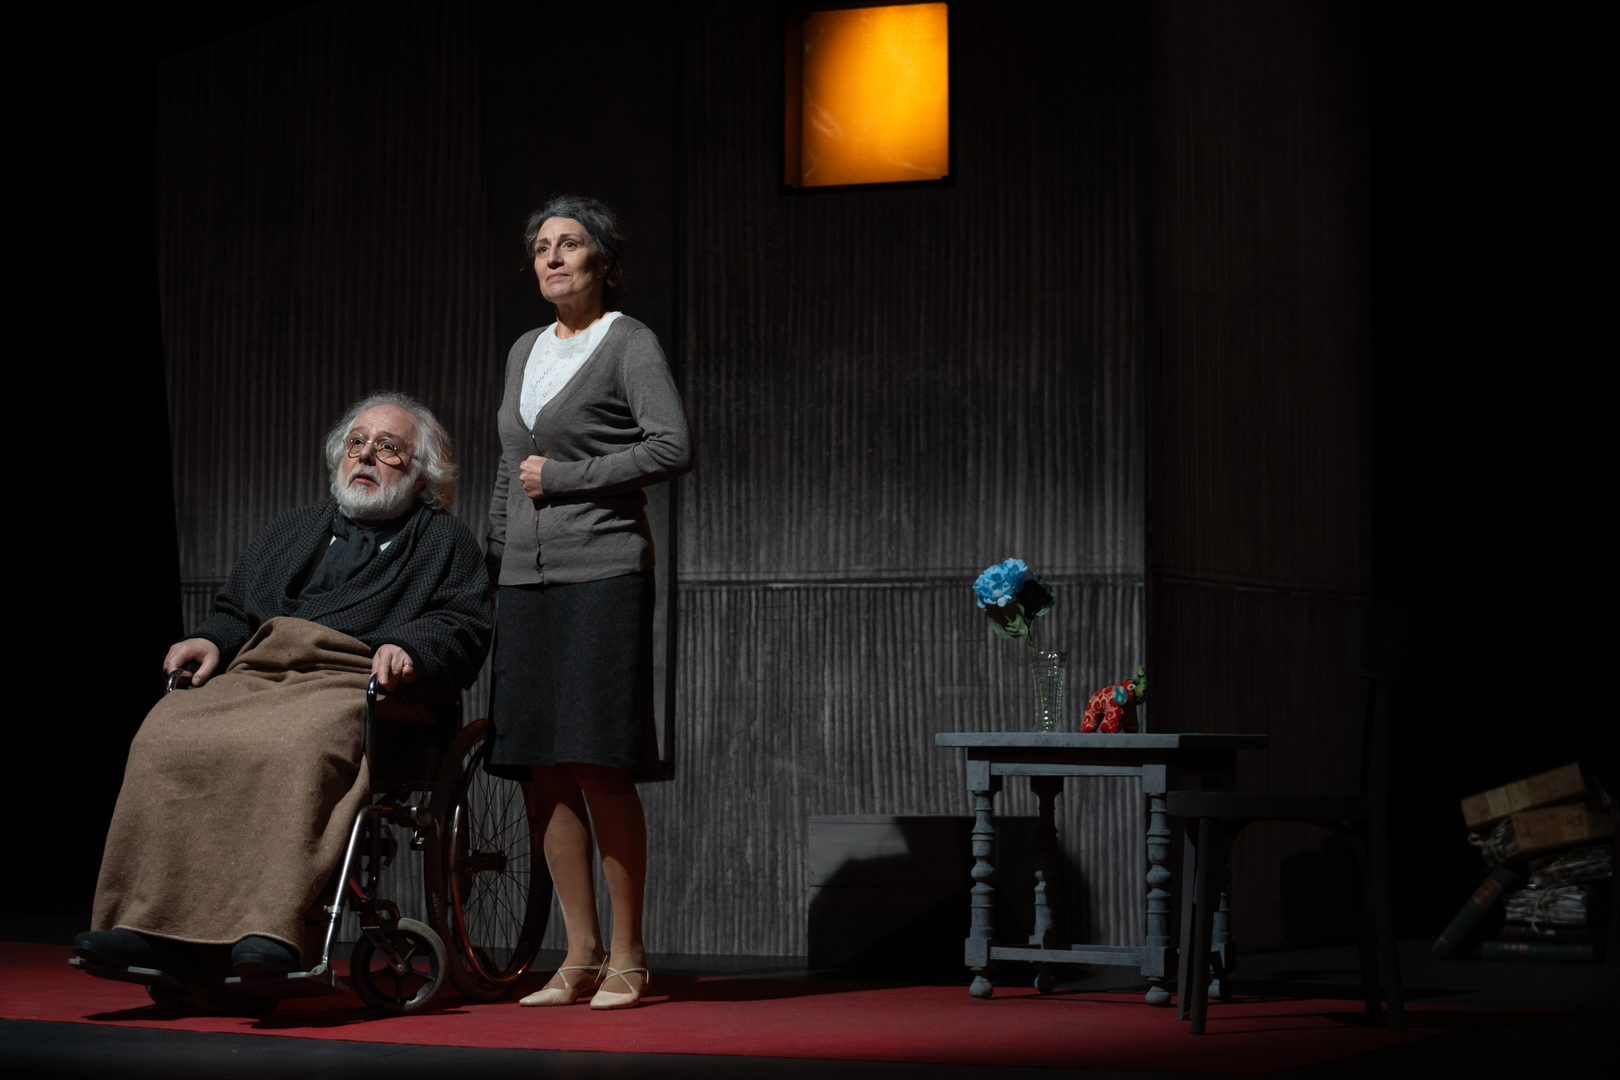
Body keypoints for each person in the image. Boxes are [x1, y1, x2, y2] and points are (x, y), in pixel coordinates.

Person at [74, 391, 493, 988]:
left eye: (388, 448)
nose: (365, 456)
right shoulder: (294, 529)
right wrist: (211, 638)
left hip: (352, 678)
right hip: (262, 673)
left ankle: (271, 927)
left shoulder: (443, 542)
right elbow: (236, 610)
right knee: (164, 734)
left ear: (421, 473)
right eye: (357, 443)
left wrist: (413, 647)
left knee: (296, 744)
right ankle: (146, 922)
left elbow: (463, 622)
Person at [486, 195, 691, 1010]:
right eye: (542, 246)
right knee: (544, 770)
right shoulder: (525, 349)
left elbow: (671, 445)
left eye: (570, 244)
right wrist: (496, 556)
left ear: (603, 260)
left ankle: (629, 954)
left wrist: (566, 478)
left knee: (596, 758)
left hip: (603, 570)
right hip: (525, 583)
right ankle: (579, 955)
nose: (553, 257)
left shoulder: (628, 341)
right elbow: (510, 467)